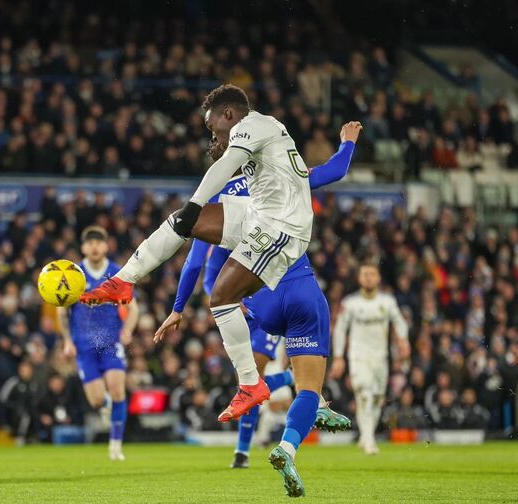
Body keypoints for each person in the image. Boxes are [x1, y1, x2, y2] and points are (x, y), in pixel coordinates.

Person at [82, 83, 362, 432]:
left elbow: (225, 164)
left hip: (282, 229)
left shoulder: (252, 126)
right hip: (261, 213)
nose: (212, 134)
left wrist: (195, 202)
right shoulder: (267, 148)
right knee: (184, 221)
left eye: (212, 125)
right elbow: (328, 171)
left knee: (220, 297)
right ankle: (123, 282)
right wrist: (347, 144)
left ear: (229, 114)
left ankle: (250, 383)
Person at [159, 139, 359, 469]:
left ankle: (245, 449)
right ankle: (310, 402)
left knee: (253, 380)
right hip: (296, 291)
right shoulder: (284, 179)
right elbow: (336, 170)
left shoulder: (215, 200)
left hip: (255, 305)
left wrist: (179, 307)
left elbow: (198, 265)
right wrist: (348, 140)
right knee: (298, 375)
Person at [59, 226, 139, 461]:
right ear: (83, 247)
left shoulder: (117, 273)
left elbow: (133, 308)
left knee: (117, 390)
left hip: (110, 342)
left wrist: (127, 330)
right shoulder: (74, 275)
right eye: (90, 242)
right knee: (96, 400)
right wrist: (66, 341)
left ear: (106, 246)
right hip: (83, 344)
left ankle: (115, 446)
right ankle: (103, 406)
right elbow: (62, 311)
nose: (94, 246)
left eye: (99, 242)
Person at [331, 263, 409, 455]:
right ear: (359, 278)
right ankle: (369, 439)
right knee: (364, 394)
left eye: (371, 274)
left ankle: (367, 435)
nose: (368, 277)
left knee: (376, 399)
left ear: (378, 278)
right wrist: (339, 357)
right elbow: (340, 330)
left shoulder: (387, 302)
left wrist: (404, 342)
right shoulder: (350, 304)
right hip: (358, 357)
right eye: (364, 274)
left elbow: (400, 323)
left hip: (380, 357)